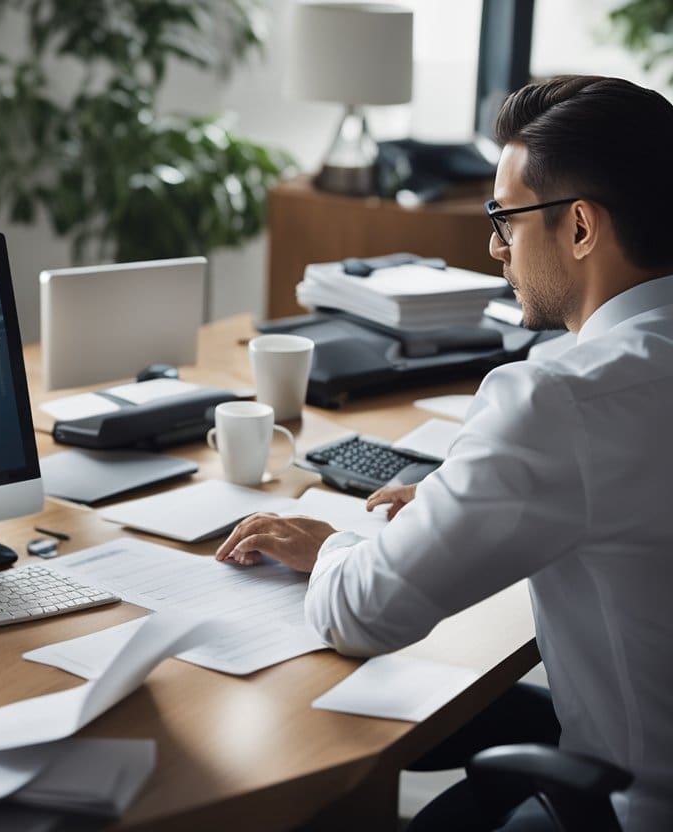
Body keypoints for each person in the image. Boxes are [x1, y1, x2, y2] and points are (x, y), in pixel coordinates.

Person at [216, 75, 673, 832]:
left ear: (583, 227)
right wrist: (465, 499)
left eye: (506, 217)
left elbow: (364, 614)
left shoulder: (557, 400)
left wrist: (335, 547)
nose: (495, 246)